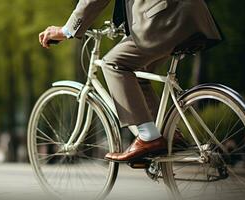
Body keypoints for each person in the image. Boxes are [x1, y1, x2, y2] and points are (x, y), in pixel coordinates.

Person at [38, 0, 222, 162]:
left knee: (113, 63)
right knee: (140, 73)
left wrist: (66, 30)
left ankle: (149, 137)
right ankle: (170, 134)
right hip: (194, 16)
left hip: (164, 18)